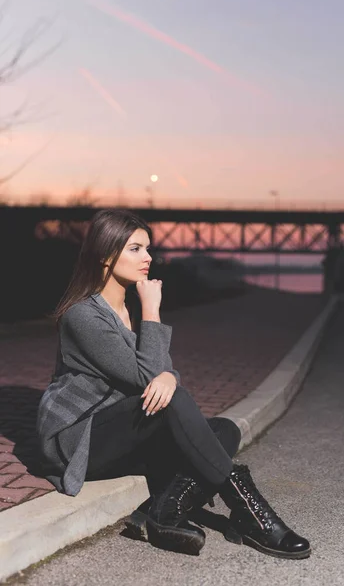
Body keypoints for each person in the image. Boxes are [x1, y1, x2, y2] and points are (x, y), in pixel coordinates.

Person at [36, 208, 311, 559]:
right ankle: (251, 512)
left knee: (225, 430)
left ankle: (163, 512)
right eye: (135, 249)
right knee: (176, 401)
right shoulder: (83, 315)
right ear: (105, 256)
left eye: (147, 248)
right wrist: (152, 310)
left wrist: (168, 375)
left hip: (121, 430)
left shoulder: (123, 311)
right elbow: (145, 375)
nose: (148, 257)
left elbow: (156, 373)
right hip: (82, 441)